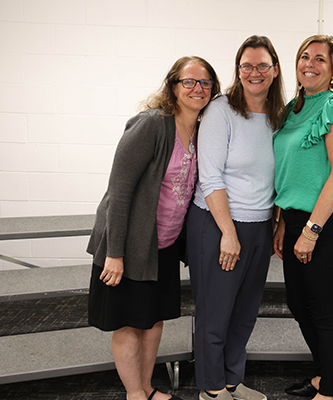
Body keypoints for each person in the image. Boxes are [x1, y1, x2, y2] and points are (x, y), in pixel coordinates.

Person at [87, 56, 221, 400]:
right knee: (129, 322)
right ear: (173, 86)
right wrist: (114, 254)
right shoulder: (151, 125)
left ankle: (147, 388)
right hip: (130, 246)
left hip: (164, 246)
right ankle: (135, 393)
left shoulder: (202, 128)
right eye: (188, 81)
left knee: (153, 319)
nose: (197, 88)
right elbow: (119, 192)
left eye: (204, 83)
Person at [186, 35, 286, 400]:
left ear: (275, 70)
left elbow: (281, 176)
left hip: (260, 224)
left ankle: (231, 381)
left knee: (245, 313)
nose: (254, 72)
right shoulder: (221, 110)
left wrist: (276, 222)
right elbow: (209, 176)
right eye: (247, 66)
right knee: (215, 313)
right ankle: (211, 390)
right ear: (238, 70)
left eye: (262, 65)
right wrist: (228, 233)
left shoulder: (281, 115)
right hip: (218, 224)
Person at [273, 35, 333, 400]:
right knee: (299, 305)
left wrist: (311, 230)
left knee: (323, 311)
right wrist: (283, 221)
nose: (309, 63)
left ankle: (329, 391)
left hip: (324, 224)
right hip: (294, 219)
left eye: (319, 59)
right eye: (303, 57)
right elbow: (287, 171)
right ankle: (323, 375)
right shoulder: (291, 109)